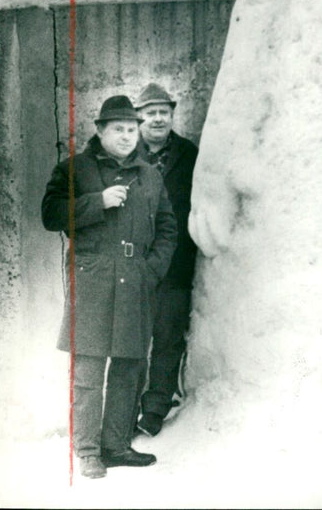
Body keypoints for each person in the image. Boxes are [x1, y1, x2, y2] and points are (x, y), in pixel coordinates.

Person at [41, 95, 177, 479]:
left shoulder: (149, 175)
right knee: (88, 370)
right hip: (93, 279)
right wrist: (96, 202)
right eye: (118, 129)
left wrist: (151, 271)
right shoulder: (74, 169)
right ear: (100, 131)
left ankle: (116, 446)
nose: (127, 136)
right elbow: (50, 215)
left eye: (132, 129)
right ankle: (87, 451)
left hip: (136, 280)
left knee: (129, 367)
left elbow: (167, 228)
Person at [134, 82, 199, 438]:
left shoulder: (189, 154)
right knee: (131, 339)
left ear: (172, 116)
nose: (158, 119)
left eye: (164, 112)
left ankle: (155, 409)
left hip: (175, 265)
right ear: (139, 118)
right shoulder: (127, 154)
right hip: (136, 264)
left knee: (168, 336)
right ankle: (125, 410)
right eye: (151, 113)